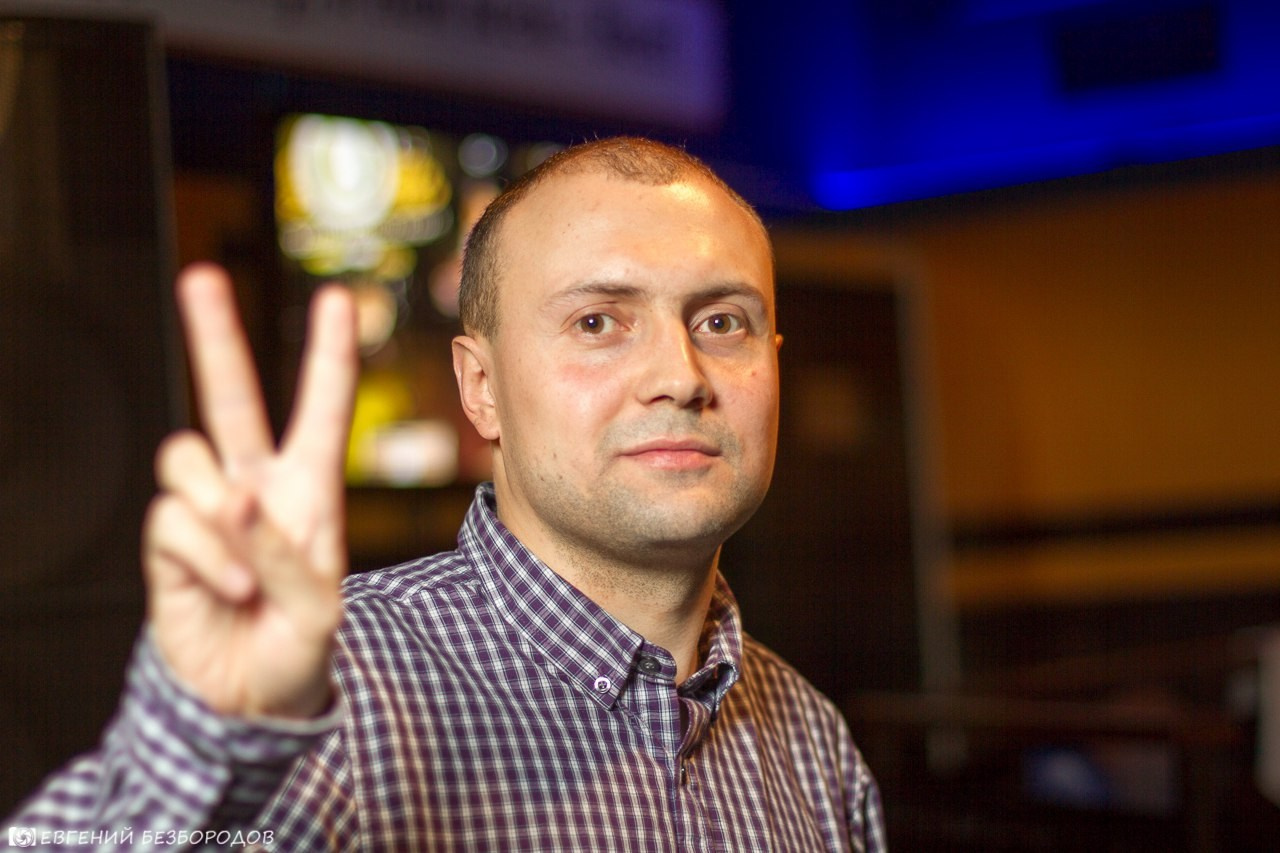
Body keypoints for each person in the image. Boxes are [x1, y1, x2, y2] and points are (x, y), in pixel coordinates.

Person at [9, 137, 886, 850]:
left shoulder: (813, 743)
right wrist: (206, 745)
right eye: (597, 322)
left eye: (722, 322)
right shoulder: (335, 695)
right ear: (481, 388)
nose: (680, 376)